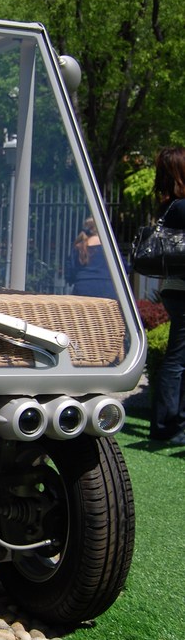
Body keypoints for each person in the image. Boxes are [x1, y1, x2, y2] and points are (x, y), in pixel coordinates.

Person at [149, 146, 185, 444]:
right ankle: (167, 425)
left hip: (174, 289)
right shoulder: (181, 207)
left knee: (178, 358)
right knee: (177, 359)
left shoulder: (169, 206)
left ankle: (173, 422)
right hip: (182, 291)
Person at [65, 217, 114, 298]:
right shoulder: (110, 249)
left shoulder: (78, 248)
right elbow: (124, 268)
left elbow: (70, 273)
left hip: (83, 288)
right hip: (108, 289)